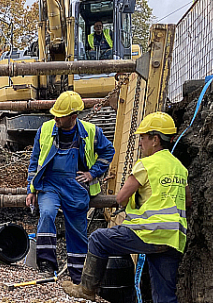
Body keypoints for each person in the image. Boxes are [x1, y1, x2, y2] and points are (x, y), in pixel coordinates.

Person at [61, 111, 191, 303]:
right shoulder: (179, 167)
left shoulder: (146, 165)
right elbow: (187, 200)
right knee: (165, 296)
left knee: (98, 239)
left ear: (155, 139)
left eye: (143, 138)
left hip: (149, 232)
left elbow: (121, 198)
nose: (140, 143)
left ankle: (86, 290)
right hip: (173, 237)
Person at [26, 91, 115, 284]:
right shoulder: (45, 130)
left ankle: (78, 277)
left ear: (74, 117)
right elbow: (35, 162)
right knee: (47, 213)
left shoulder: (91, 132)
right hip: (49, 183)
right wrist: (31, 189)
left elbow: (108, 152)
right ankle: (47, 266)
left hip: (75, 186)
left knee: (76, 229)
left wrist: (92, 173)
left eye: (60, 115)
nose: (55, 117)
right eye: (55, 113)